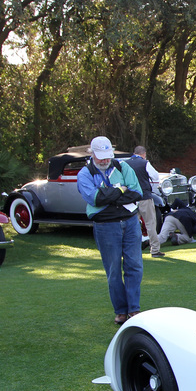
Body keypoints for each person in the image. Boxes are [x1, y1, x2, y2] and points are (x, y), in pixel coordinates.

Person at [76, 136, 144, 325]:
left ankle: (134, 309)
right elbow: (95, 199)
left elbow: (137, 192)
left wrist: (110, 196)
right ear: (92, 155)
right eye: (101, 157)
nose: (105, 161)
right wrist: (121, 191)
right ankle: (121, 311)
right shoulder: (84, 174)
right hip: (106, 227)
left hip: (130, 222)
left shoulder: (123, 167)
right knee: (113, 269)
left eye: (108, 156)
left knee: (134, 265)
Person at [123, 145, 163, 258]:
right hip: (144, 197)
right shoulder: (145, 163)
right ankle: (154, 249)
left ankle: (131, 250)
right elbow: (155, 177)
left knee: (131, 226)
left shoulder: (125, 164)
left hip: (130, 199)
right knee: (150, 224)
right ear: (144, 154)